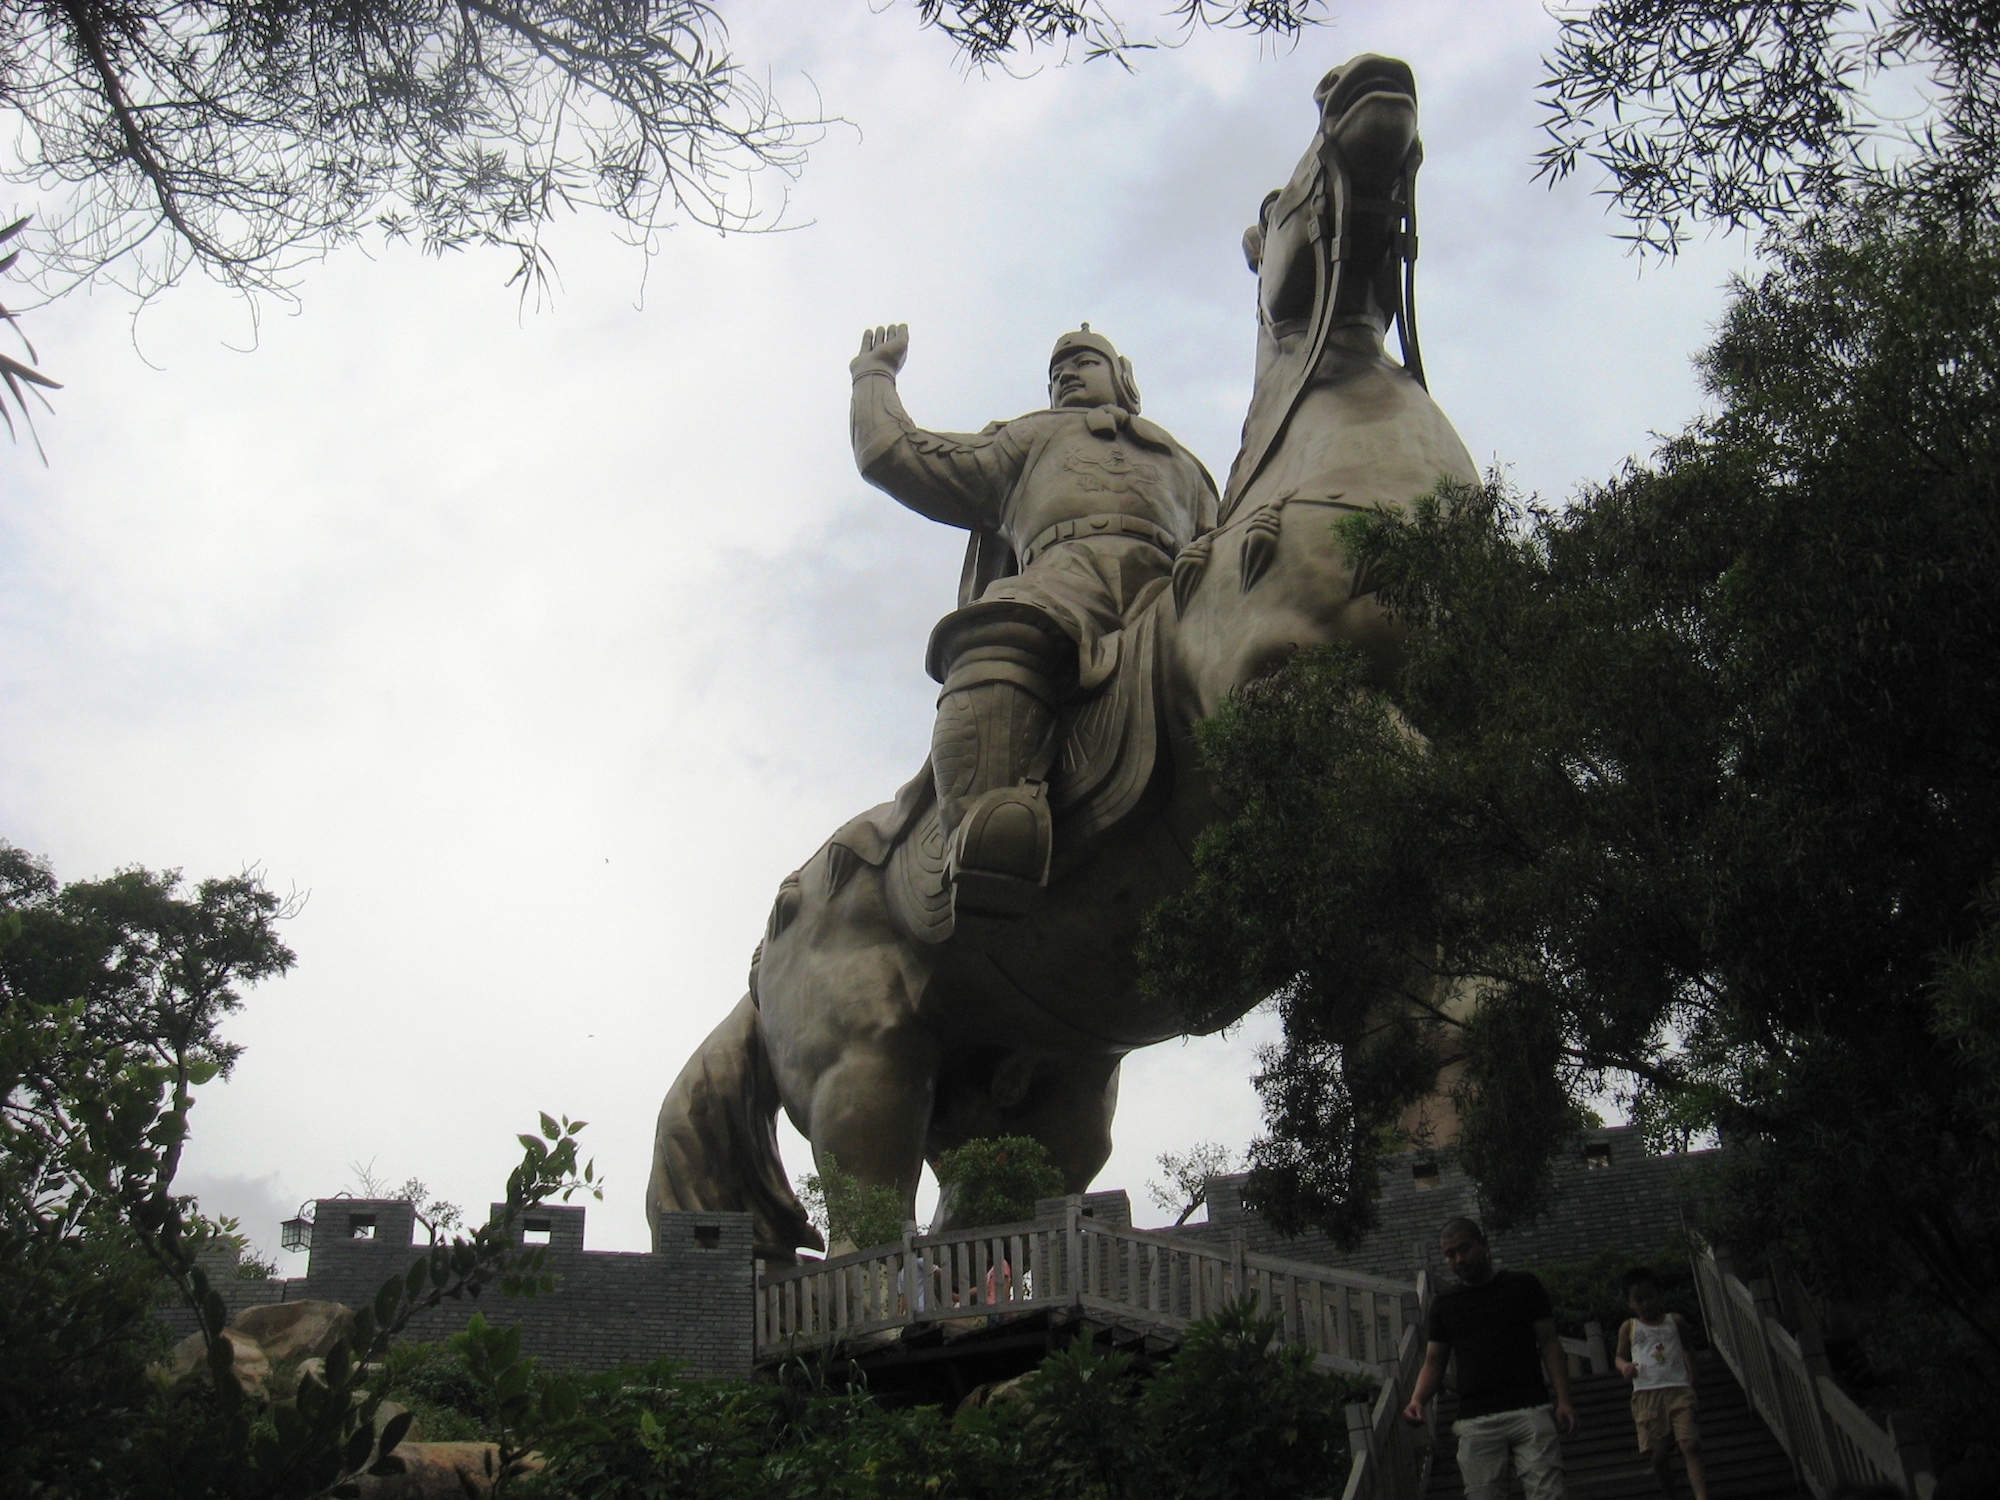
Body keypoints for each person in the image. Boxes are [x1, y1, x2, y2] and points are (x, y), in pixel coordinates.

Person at [848, 321, 1217, 913]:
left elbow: (1218, 534)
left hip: (1168, 587)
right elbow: (894, 454)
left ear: (1123, 379)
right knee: (1001, 630)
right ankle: (985, 824)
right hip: (1062, 578)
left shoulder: (1185, 465)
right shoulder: (1024, 440)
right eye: (1056, 370)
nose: (1067, 374)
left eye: (1084, 362)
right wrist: (874, 376)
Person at [1403, 1216, 1578, 1500]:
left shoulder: (1523, 1286)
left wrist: (1564, 1399)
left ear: (1484, 1244)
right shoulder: (1445, 1304)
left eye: (1464, 1249)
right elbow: (1434, 1361)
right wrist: (1416, 1400)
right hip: (1475, 1418)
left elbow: (1549, 1343)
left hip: (1529, 1408)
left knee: (1550, 1494)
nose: (1459, 1259)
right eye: (1450, 1255)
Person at [1616, 1267, 1710, 1500]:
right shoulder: (1630, 1327)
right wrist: (1624, 1367)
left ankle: (1702, 1496)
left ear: (1660, 1295)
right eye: (1639, 1299)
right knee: (1658, 1457)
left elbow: (1688, 1349)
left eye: (1650, 1296)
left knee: (1690, 1444)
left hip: (1678, 1389)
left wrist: (1693, 1375)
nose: (1646, 1303)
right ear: (1630, 1302)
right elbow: (1619, 1356)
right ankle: (1670, 1492)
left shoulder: (1674, 1321)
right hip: (1648, 1395)